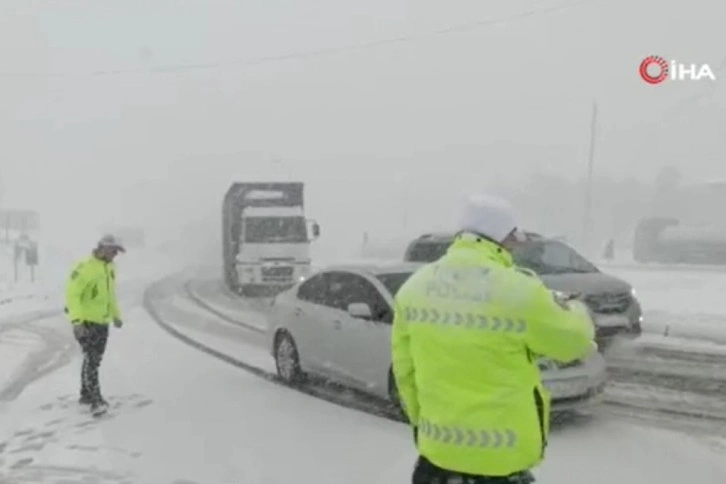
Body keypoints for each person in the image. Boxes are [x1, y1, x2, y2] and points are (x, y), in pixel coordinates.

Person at [391, 194, 596, 484]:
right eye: (514, 236)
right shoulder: (518, 291)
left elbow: (406, 373)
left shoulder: (414, 289)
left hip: (437, 458)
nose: (517, 244)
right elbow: (573, 341)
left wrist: (427, 426)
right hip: (500, 461)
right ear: (501, 236)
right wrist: (577, 310)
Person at [64, 234, 125, 412]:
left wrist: (116, 315)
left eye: (117, 252)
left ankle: (85, 393)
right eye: (113, 251)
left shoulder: (109, 268)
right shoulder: (84, 267)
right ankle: (95, 400)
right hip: (86, 322)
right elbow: (72, 295)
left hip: (101, 321)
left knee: (92, 358)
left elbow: (109, 295)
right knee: (92, 359)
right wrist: (77, 322)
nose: (115, 255)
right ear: (104, 249)